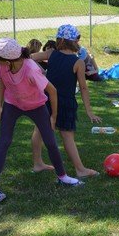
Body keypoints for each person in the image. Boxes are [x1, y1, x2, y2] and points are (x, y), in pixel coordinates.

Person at [0, 37, 83, 204]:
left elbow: (52, 91)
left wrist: (53, 116)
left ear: (7, 61)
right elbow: (2, 84)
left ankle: (63, 176)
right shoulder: (2, 65)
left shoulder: (31, 69)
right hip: (12, 104)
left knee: (50, 142)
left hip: (36, 106)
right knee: (4, 141)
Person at [30, 24, 102, 178]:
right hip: (65, 103)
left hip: (46, 99)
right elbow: (83, 88)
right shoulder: (78, 62)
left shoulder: (51, 54)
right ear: (73, 41)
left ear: (60, 40)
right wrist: (89, 111)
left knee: (39, 131)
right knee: (67, 136)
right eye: (77, 39)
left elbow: (29, 58)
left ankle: (37, 163)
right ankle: (80, 170)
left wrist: (39, 72)